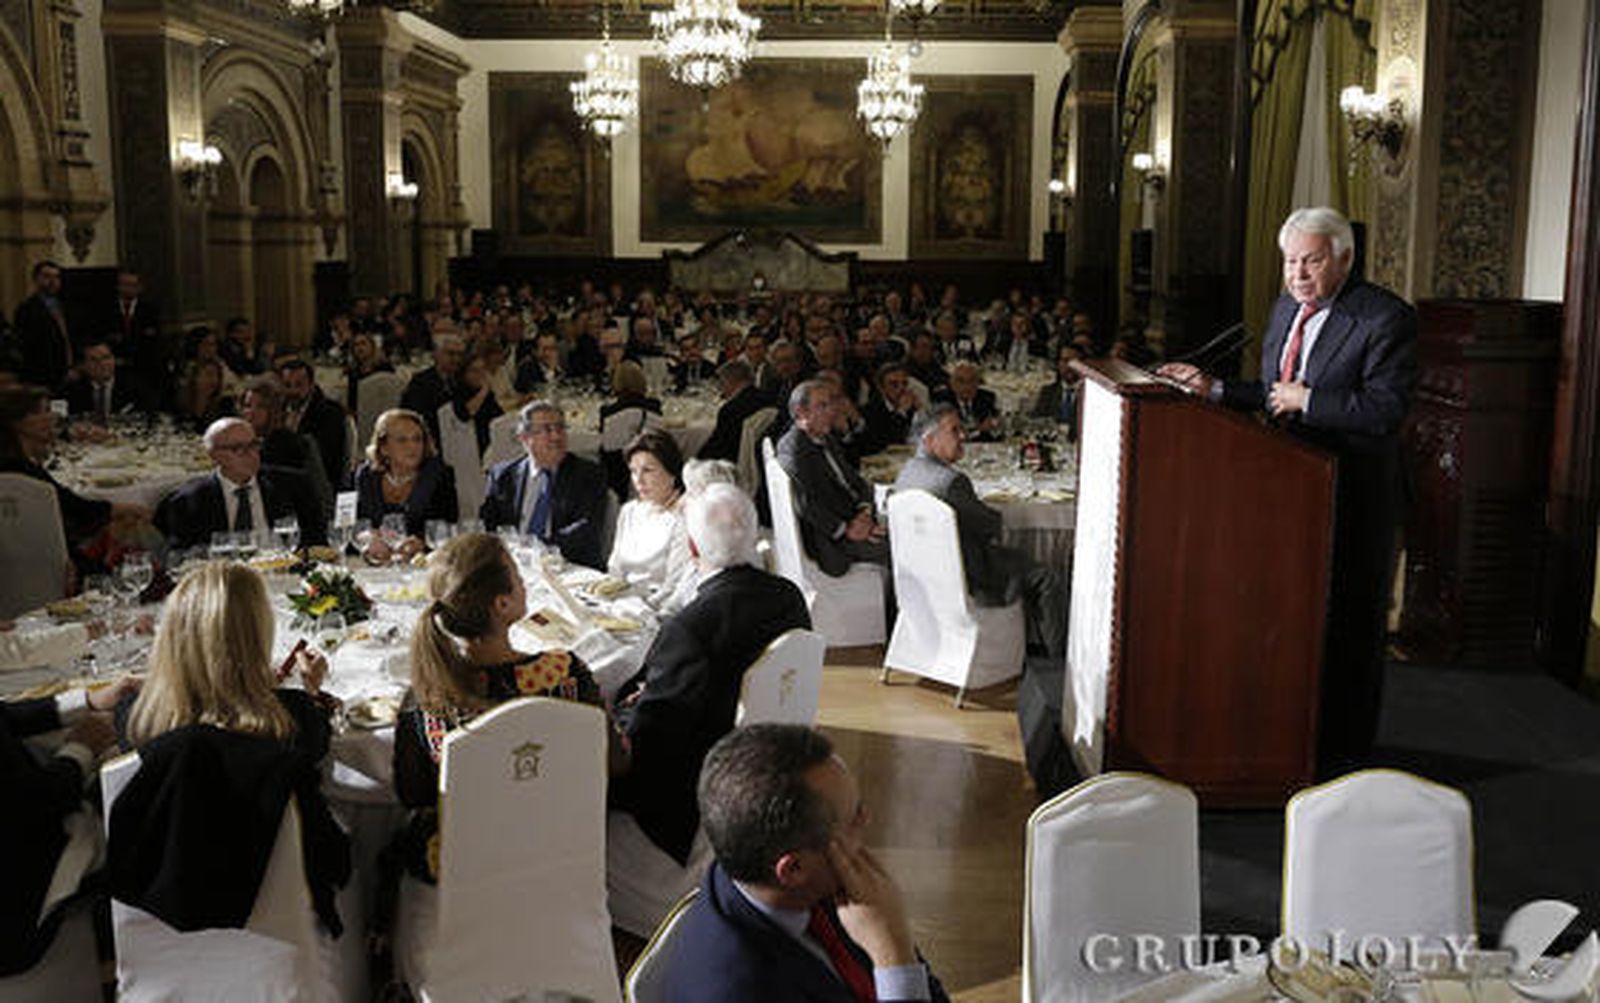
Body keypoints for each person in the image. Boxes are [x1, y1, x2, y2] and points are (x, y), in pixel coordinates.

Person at [1157, 205, 1417, 775]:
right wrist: (1218, 389)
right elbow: (1276, 393)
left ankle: (1345, 757)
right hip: (1286, 501)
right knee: (1291, 624)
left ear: (1345, 259)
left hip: (1354, 501)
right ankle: (1285, 742)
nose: (1298, 274)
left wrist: (1312, 401)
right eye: (1291, 261)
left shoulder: (1384, 318)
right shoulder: (1284, 310)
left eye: (1312, 260)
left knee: (1348, 629)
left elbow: (1387, 409)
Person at [608, 483, 811, 937]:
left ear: (694, 546)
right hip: (771, 761)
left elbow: (652, 746)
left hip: (698, 791)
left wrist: (617, 717)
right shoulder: (787, 597)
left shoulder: (692, 627)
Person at [110, 561, 350, 936]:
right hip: (281, 924)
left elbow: (197, 734)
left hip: (159, 915)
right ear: (257, 638)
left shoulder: (132, 720)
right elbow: (314, 740)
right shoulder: (295, 721)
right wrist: (312, 693)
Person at [661, 724, 949, 1002]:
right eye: (853, 818)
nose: (867, 819)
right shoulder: (736, 991)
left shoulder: (786, 873)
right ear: (793, 869)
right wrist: (894, 953)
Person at [391, 533, 607, 882]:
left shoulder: (426, 701)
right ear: (502, 605)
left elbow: (412, 794)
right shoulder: (566, 673)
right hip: (562, 850)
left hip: (467, 866)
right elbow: (611, 762)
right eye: (519, 578)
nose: (524, 584)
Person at [895, 405, 1067, 657]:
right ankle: (1057, 662)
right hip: (970, 573)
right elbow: (990, 526)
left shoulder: (907, 472)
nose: (963, 436)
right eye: (955, 430)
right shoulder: (951, 482)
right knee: (1048, 577)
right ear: (930, 440)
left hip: (923, 577)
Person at [1, 678, 132, 975]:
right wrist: (80, 749)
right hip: (19, 916)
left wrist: (87, 701)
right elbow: (35, 805)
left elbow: (5, 715)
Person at [0, 384, 148, 560]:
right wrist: (125, 508)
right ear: (19, 423)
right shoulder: (20, 471)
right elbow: (74, 509)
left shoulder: (16, 460)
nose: (53, 417)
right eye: (43, 411)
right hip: (49, 556)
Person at [154, 416, 327, 551]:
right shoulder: (190, 500)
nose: (251, 454)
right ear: (214, 456)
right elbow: (182, 558)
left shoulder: (293, 485)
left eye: (253, 445)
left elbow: (317, 541)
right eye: (238, 449)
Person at [775, 379, 888, 575]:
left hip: (855, 517)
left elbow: (855, 481)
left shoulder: (826, 437)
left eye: (831, 403)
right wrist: (847, 529)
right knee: (901, 546)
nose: (832, 410)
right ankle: (895, 605)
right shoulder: (793, 449)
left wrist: (864, 512)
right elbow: (806, 504)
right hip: (831, 539)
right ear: (801, 413)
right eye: (822, 405)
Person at [480, 400, 609, 569]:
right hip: (513, 566)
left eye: (560, 428)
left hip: (568, 566)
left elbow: (585, 529)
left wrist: (534, 548)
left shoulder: (587, 474)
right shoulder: (503, 475)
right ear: (525, 438)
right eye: (547, 429)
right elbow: (488, 525)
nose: (556, 436)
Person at [348, 408, 458, 561]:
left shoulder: (438, 475)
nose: (412, 446)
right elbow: (350, 525)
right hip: (376, 562)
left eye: (417, 439)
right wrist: (367, 538)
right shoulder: (366, 476)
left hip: (422, 563)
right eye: (402, 440)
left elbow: (448, 528)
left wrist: (421, 544)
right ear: (384, 447)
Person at [608, 429, 693, 607]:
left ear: (672, 473)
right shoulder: (629, 511)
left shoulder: (684, 517)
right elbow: (614, 569)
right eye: (633, 471)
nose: (638, 480)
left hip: (657, 611)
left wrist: (638, 609)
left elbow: (674, 587)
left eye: (647, 470)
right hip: (619, 604)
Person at [278, 357, 348, 491]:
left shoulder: (330, 412)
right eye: (287, 385)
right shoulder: (278, 408)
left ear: (311, 385)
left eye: (299, 385)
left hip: (316, 483)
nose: (293, 391)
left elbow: (324, 455)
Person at [599, 360, 664, 498]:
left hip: (616, 475)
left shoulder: (608, 412)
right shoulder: (655, 407)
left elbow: (605, 442)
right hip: (651, 467)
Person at [13, 261, 74, 392]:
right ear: (36, 279)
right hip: (42, 376)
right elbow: (28, 347)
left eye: (56, 277)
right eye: (47, 276)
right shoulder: (27, 309)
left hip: (70, 374)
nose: (52, 281)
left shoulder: (67, 306)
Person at [698, 360, 773, 463]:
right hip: (761, 457)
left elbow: (717, 448)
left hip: (731, 461)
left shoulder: (729, 410)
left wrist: (694, 461)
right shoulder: (767, 398)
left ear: (730, 381)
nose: (721, 388)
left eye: (722, 383)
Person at [400, 330, 465, 442]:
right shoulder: (420, 382)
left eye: (459, 355)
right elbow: (414, 417)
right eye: (451, 354)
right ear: (437, 354)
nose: (456, 359)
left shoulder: (462, 380)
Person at [64, 339, 138, 422]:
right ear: (83, 365)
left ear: (114, 360)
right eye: (94, 360)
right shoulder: (75, 390)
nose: (102, 364)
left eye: (106, 358)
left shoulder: (133, 385)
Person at [858, 361, 918, 456]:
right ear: (881, 388)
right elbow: (891, 443)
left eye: (904, 383)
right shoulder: (871, 411)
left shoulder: (911, 407)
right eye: (894, 385)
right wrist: (901, 413)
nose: (901, 389)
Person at [932, 362, 1000, 442]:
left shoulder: (987, 398)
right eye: (961, 381)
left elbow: (996, 426)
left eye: (972, 381)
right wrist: (979, 430)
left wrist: (994, 424)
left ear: (978, 383)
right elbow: (949, 433)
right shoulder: (942, 399)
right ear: (952, 384)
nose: (967, 386)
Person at [1030, 343, 1085, 436]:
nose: (1069, 366)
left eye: (1075, 362)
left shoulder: (1090, 397)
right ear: (1059, 364)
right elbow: (1036, 424)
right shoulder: (1047, 392)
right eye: (1065, 360)